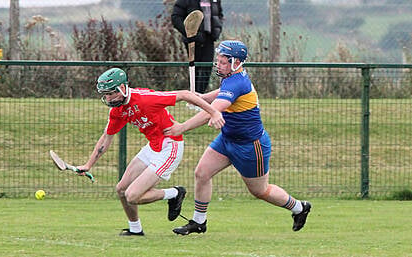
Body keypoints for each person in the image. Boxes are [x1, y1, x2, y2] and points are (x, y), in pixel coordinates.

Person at [164, 40, 312, 235]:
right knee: (202, 173)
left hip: (251, 146)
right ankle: (199, 222)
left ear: (236, 62)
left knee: (260, 191)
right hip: (227, 140)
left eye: (223, 62)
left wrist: (181, 127)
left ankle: (299, 208)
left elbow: (212, 112)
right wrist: (201, 97)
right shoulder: (231, 77)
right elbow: (220, 94)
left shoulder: (237, 82)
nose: (218, 65)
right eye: (218, 61)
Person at [76, 67, 225, 236]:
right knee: (122, 190)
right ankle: (135, 230)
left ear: (123, 88)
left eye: (111, 93)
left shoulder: (146, 98)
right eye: (105, 95)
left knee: (132, 195)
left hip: (170, 146)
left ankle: (175, 193)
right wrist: (88, 165)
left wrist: (213, 112)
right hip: (152, 147)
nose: (108, 98)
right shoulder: (117, 111)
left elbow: (185, 94)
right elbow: (106, 138)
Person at [172, 0, 223, 93]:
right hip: (193, 40)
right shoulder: (186, 1)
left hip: (209, 39)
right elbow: (176, 18)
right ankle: (193, 95)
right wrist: (190, 33)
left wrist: (217, 30)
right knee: (194, 68)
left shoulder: (215, 1)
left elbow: (219, 15)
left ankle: (201, 96)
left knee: (206, 68)